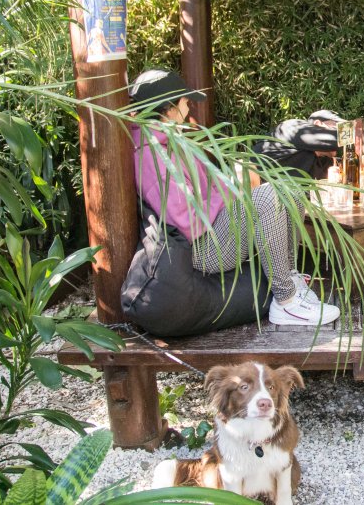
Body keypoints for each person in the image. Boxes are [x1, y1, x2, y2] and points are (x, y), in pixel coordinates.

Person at [129, 69, 339, 326]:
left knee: (288, 188)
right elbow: (187, 220)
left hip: (211, 230)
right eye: (185, 100)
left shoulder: (170, 141)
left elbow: (209, 189)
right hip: (201, 248)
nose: (189, 105)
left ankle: (291, 280)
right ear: (169, 107)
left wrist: (234, 187)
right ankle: (285, 301)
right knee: (267, 197)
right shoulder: (151, 154)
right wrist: (235, 192)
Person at [253, 110, 364, 179]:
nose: (342, 139)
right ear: (318, 124)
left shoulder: (323, 162)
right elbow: (343, 137)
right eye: (339, 128)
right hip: (253, 203)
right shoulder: (292, 128)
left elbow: (344, 177)